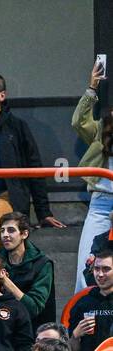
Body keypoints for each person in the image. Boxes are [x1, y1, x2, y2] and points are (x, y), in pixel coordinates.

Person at [0, 72, 64, 254]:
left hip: (3, 195)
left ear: (2, 96)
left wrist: (43, 212)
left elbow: (34, 168)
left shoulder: (16, 127)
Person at [74, 58, 113, 292]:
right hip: (100, 204)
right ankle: (82, 318)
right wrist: (92, 88)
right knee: (86, 265)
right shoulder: (104, 130)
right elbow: (79, 121)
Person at [0, 213, 55, 328]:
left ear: (24, 234)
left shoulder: (42, 264)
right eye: (2, 231)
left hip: (35, 331)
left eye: (11, 230)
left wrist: (5, 281)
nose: (5, 235)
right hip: (4, 327)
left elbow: (33, 309)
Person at [67, 249, 113, 351]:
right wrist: (76, 335)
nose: (100, 274)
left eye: (106, 269)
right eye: (97, 269)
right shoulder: (82, 304)